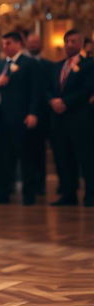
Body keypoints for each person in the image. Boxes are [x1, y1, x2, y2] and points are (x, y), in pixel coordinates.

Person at [0, 32, 40, 205]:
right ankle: (2, 193)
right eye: (3, 43)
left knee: (25, 156)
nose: (5, 47)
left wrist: (33, 113)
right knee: (2, 158)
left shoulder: (29, 63)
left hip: (21, 117)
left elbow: (35, 91)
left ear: (18, 44)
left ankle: (29, 195)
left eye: (8, 43)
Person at [47, 30, 94, 207]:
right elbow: (49, 88)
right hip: (59, 119)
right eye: (67, 41)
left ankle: (90, 195)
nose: (69, 45)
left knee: (85, 157)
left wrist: (65, 101)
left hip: (79, 118)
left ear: (81, 43)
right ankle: (68, 194)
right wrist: (52, 100)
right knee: (63, 157)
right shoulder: (57, 66)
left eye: (73, 41)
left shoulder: (89, 65)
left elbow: (88, 89)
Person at [25, 33, 53, 196]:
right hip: (26, 113)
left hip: (44, 114)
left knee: (40, 151)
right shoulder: (23, 64)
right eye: (31, 42)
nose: (33, 45)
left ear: (41, 44)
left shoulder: (48, 65)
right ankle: (30, 183)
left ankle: (40, 184)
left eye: (36, 42)